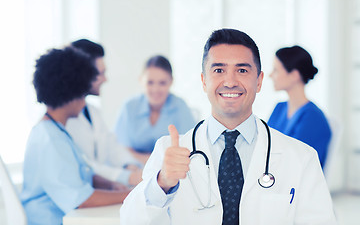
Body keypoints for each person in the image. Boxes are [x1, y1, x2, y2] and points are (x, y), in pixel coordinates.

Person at [119, 29, 337, 224]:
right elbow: (131, 219)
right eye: (219, 70)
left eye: (242, 71)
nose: (230, 81)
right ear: (204, 81)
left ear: (259, 81)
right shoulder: (168, 152)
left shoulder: (301, 157)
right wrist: (163, 183)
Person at [20, 47, 131, 225]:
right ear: (71, 94)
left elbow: (80, 175)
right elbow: (81, 199)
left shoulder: (56, 131)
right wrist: (131, 194)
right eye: (83, 93)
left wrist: (110, 185)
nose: (84, 99)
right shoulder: (51, 140)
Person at [66, 39, 142, 187]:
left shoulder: (93, 112)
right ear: (83, 74)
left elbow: (111, 146)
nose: (105, 79)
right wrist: (128, 177)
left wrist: (129, 165)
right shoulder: (65, 119)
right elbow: (84, 165)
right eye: (101, 73)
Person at [114, 55, 195, 164]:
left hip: (172, 171)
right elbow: (120, 149)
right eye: (150, 82)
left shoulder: (180, 106)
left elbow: (189, 149)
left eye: (162, 83)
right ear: (141, 80)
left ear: (171, 82)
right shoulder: (129, 107)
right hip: (134, 170)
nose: (156, 89)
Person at [268, 45, 332, 168]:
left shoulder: (313, 117)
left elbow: (296, 162)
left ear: (294, 75)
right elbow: (264, 144)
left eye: (276, 70)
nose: (271, 75)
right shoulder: (279, 108)